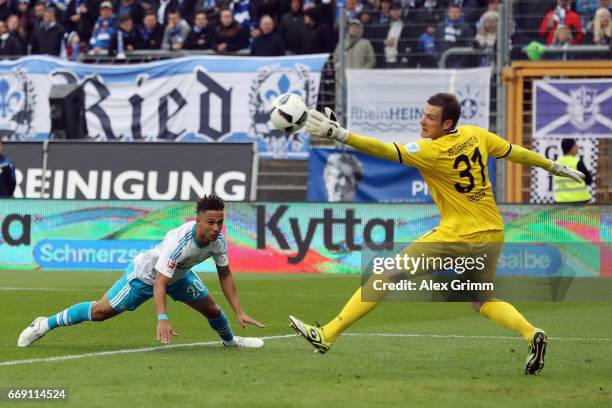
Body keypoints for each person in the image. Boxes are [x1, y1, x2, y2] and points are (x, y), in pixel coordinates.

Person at [289, 93, 585, 375]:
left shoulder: (431, 151)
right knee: (481, 300)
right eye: (423, 114)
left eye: (430, 118)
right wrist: (552, 166)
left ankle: (326, 334)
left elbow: (384, 150)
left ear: (447, 124)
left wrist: (342, 135)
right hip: (492, 233)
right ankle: (532, 333)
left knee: (384, 276)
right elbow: (514, 152)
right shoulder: (476, 135)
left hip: (456, 236)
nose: (422, 121)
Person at [18, 195, 266, 348]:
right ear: (198, 220)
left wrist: (239, 311)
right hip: (145, 276)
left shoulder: (219, 242)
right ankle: (44, 324)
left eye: (220, 222)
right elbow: (159, 283)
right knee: (100, 312)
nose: (216, 227)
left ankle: (231, 342)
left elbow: (225, 275)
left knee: (212, 309)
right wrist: (162, 319)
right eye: (211, 222)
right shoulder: (178, 242)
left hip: (180, 276)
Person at [554, 138, 592, 203]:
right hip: (580, 199)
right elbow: (589, 179)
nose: (577, 147)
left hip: (561, 200)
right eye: (575, 145)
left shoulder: (557, 163)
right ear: (571, 148)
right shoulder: (576, 162)